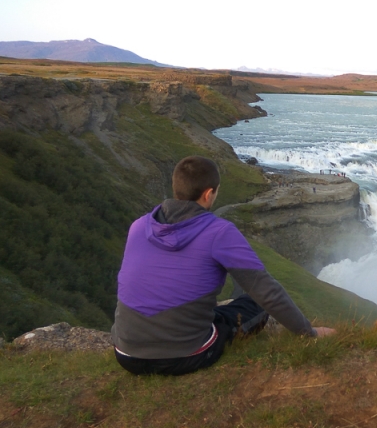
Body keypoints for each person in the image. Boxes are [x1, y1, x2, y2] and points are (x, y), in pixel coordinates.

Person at [111, 156, 334, 376]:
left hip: (126, 354)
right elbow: (265, 289)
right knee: (254, 305)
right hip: (185, 356)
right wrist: (308, 332)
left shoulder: (139, 226)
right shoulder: (219, 232)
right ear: (208, 194)